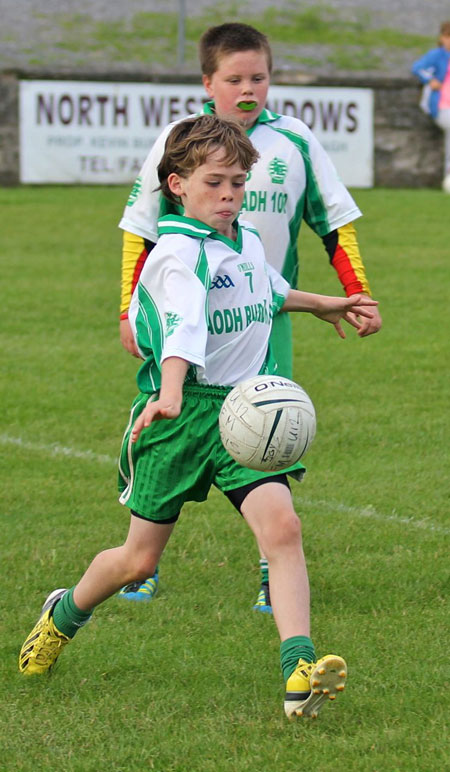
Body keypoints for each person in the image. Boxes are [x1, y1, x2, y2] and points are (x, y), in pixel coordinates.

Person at [19, 114, 378, 720]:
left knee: (282, 528)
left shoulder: (244, 238)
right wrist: (172, 391)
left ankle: (298, 667)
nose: (231, 196)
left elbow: (263, 288)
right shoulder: (178, 253)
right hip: (177, 415)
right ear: (177, 183)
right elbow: (184, 325)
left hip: (243, 412)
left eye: (239, 183)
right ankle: (62, 615)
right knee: (139, 562)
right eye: (216, 183)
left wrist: (324, 304)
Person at [118, 22, 382, 609]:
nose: (247, 89)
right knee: (173, 423)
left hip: (265, 314)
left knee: (271, 426)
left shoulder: (295, 142)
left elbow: (334, 222)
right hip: (185, 318)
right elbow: (140, 230)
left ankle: (272, 562)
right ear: (207, 82)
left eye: (258, 78)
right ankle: (141, 563)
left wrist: (354, 292)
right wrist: (126, 308)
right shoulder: (176, 140)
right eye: (234, 79)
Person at [412, 21, 450, 192]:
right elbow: (417, 68)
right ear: (442, 38)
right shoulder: (437, 55)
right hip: (443, 106)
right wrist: (430, 80)